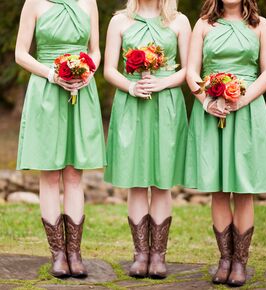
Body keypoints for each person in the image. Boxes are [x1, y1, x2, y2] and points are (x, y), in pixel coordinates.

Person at [184, 0, 266, 286]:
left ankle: (240, 261)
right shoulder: (203, 25)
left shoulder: (261, 26)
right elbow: (191, 71)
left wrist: (243, 99)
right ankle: (224, 259)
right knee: (217, 188)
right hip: (212, 110)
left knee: (243, 189)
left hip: (247, 109)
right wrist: (206, 101)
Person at [15, 0, 106, 278]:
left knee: (74, 173)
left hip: (81, 91)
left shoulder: (89, 2)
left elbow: (95, 51)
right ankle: (57, 254)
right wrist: (52, 74)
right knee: (51, 174)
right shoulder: (34, 2)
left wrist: (89, 71)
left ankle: (75, 253)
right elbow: (21, 54)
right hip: (46, 90)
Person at [104, 0, 191, 279]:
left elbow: (189, 70)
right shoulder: (119, 21)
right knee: (137, 181)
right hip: (132, 105)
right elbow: (108, 70)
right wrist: (131, 86)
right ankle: (140, 254)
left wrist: (162, 82)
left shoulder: (179, 21)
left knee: (162, 182)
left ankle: (159, 256)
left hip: (166, 105)